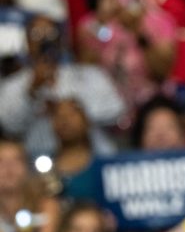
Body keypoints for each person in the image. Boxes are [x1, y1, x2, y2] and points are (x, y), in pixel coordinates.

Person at [0, 15, 125, 158]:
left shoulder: (89, 75)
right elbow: (9, 125)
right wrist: (31, 91)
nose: (44, 39)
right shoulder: (13, 84)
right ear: (27, 43)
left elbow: (116, 110)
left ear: (61, 41)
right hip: (39, 160)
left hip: (94, 156)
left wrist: (74, 110)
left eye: (50, 33)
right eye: (36, 34)